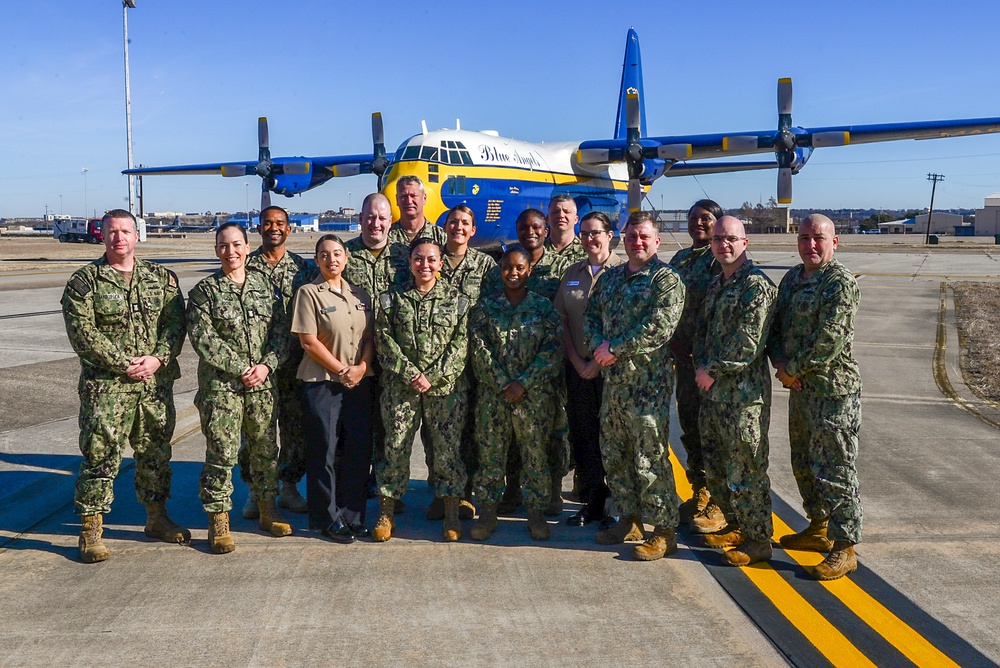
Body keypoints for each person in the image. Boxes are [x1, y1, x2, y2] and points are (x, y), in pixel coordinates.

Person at [62, 209, 189, 563]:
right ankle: (91, 529)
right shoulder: (85, 282)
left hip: (154, 384)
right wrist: (123, 364)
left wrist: (158, 358)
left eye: (126, 231)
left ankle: (156, 517)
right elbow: (83, 334)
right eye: (112, 232)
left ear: (137, 236)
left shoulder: (161, 278)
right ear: (102, 236)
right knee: (101, 456)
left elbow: (176, 323)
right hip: (107, 388)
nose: (119, 238)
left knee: (155, 454)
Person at [584, 211, 686, 561]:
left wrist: (613, 347)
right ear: (622, 239)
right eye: (631, 236)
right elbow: (591, 316)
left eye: (644, 237)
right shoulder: (611, 280)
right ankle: (629, 518)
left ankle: (664, 529)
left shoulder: (666, 280)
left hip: (648, 388)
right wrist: (599, 344)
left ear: (657, 241)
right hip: (614, 386)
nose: (637, 242)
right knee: (615, 454)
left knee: (650, 457)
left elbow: (660, 326)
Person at [187, 222, 291, 554]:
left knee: (263, 449)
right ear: (216, 250)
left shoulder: (265, 287)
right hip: (222, 388)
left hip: (262, 385)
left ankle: (266, 509)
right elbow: (203, 339)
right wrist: (241, 368)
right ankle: (218, 520)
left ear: (248, 248)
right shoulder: (205, 292)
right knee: (221, 453)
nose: (230, 252)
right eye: (223, 246)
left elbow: (281, 333)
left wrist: (266, 365)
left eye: (236, 245)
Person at [769, 213, 863, 581]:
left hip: (832, 391)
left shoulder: (840, 284)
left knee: (836, 467)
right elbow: (775, 325)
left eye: (818, 238)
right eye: (804, 237)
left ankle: (845, 546)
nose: (810, 244)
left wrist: (792, 368)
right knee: (804, 461)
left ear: (834, 242)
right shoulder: (792, 279)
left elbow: (830, 338)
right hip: (800, 388)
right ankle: (820, 527)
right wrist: (779, 361)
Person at [373, 238, 471, 542]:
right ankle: (386, 512)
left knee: (447, 451)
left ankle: (451, 513)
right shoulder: (391, 299)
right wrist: (411, 373)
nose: (424, 265)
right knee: (395, 449)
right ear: (410, 262)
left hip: (445, 390)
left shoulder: (458, 300)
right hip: (401, 389)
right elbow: (383, 340)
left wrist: (434, 376)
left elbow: (461, 344)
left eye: (431, 259)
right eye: (418, 259)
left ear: (441, 264)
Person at [694, 216, 776, 567]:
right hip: (713, 396)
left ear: (745, 243)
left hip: (743, 397)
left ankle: (759, 538)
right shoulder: (716, 285)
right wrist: (700, 367)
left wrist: (710, 370)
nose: (723, 245)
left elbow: (748, 343)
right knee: (717, 466)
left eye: (730, 239)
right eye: (717, 239)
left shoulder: (756, 286)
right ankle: (736, 524)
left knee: (747, 467)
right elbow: (702, 332)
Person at [469, 246, 563, 541]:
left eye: (519, 268)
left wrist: (524, 382)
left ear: (529, 271)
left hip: (533, 399)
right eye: (507, 268)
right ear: (500, 271)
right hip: (493, 398)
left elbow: (552, 349)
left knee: (535, 456)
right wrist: (502, 383)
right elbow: (477, 348)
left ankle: (535, 513)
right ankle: (487, 513)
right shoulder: (484, 308)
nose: (513, 273)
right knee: (491, 456)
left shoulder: (543, 308)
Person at [484, 208, 572, 517]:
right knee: (509, 434)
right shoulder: (503, 265)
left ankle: (552, 490)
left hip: (547, 372)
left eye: (536, 226)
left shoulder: (562, 268)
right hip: (507, 369)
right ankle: (511, 489)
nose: (529, 231)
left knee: (553, 433)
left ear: (546, 230)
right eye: (523, 227)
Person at [292, 235, 375, 544]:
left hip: (358, 382)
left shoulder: (359, 295)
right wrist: (342, 370)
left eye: (337, 253)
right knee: (324, 451)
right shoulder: (309, 293)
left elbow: (369, 338)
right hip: (323, 383)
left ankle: (352, 516)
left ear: (346, 257)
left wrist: (362, 368)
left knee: (356, 451)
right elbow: (308, 340)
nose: (332, 259)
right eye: (324, 255)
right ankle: (327, 519)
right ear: (317, 260)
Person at [241, 206, 317, 520]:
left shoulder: (303, 268)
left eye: (280, 223)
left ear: (289, 229)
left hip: (294, 363)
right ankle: (256, 491)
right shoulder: (246, 266)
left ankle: (288, 486)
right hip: (257, 363)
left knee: (294, 429)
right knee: (256, 432)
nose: (274, 228)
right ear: (259, 228)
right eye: (268, 223)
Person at [553, 211, 623, 527]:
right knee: (584, 437)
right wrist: (578, 362)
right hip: (578, 369)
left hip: (613, 371)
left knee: (616, 438)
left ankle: (620, 507)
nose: (590, 239)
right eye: (584, 234)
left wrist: (596, 362)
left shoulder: (623, 272)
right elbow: (563, 321)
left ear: (610, 235)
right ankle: (592, 502)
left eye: (596, 233)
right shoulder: (572, 273)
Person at [429, 204, 497, 522]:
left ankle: (465, 494)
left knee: (470, 429)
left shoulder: (485, 266)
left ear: (473, 231)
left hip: (473, 361)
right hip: (435, 360)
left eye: (465, 223)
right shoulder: (431, 260)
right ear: (445, 227)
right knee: (436, 432)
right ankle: (440, 493)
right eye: (453, 221)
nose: (458, 226)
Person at [668, 199, 725, 533]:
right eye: (693, 219)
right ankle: (700, 491)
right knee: (690, 425)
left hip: (708, 362)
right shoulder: (681, 258)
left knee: (713, 430)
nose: (698, 224)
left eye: (706, 218)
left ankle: (718, 498)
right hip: (683, 360)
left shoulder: (720, 256)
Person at [344, 192, 404, 511]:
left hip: (394, 357)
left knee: (390, 425)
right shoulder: (345, 255)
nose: (375, 223)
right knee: (357, 425)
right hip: (355, 358)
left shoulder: (405, 257)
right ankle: (354, 484)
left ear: (391, 221)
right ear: (360, 219)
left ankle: (386, 488)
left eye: (382, 217)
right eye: (370, 216)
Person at [545, 194, 587, 264]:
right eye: (555, 212)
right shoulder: (537, 251)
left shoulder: (588, 252)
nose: (561, 215)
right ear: (548, 219)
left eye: (567, 212)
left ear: (576, 219)